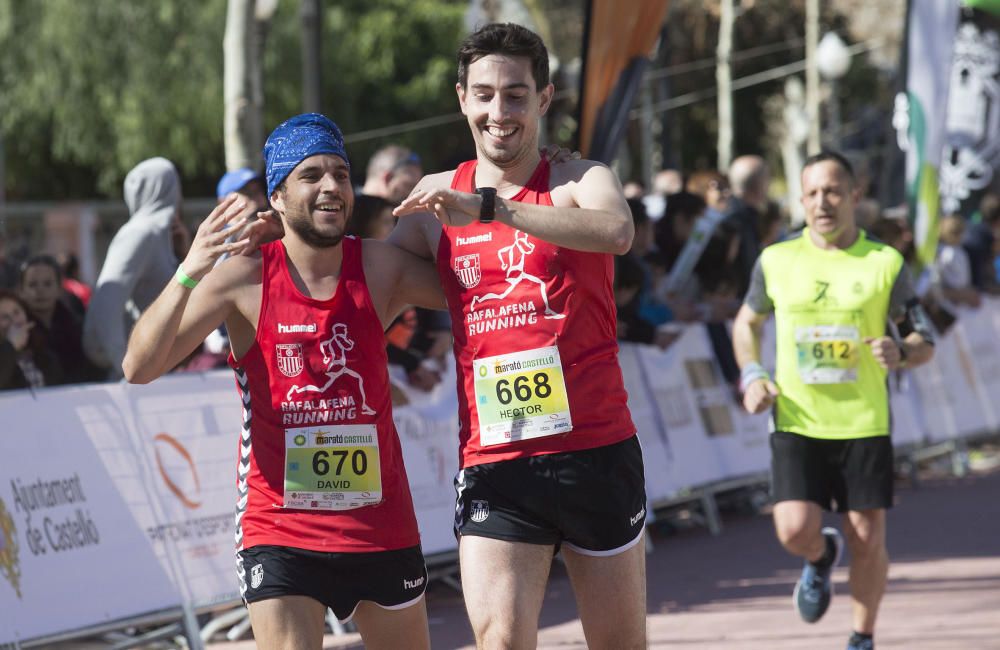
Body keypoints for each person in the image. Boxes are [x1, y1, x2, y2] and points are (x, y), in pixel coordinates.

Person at [122, 113, 445, 650]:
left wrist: (447, 196)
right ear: (277, 195)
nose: (331, 187)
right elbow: (140, 367)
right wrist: (189, 270)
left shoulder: (380, 267)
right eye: (312, 175)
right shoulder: (244, 279)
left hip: (379, 523)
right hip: (281, 527)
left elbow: (477, 285)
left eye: (341, 174)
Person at [390, 23, 647, 649]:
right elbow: (371, 282)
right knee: (500, 639)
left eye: (514, 94)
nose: (497, 112)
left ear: (543, 98)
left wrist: (490, 208)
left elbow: (616, 232)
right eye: (483, 94)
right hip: (496, 461)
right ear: (461, 99)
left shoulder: (579, 178)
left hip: (595, 449)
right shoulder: (434, 207)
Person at [732, 151, 935, 650]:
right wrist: (752, 372)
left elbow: (923, 339)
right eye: (813, 193)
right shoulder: (776, 260)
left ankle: (861, 637)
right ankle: (820, 555)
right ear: (801, 200)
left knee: (869, 539)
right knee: (792, 530)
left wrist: (901, 351)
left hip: (863, 421)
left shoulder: (884, 262)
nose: (823, 202)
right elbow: (746, 323)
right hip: (798, 419)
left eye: (834, 192)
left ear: (855, 198)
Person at [83, 157, 186, 379]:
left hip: (160, 366)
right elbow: (106, 302)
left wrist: (183, 254)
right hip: (137, 377)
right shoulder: (140, 233)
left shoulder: (161, 235)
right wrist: (124, 365)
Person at [19, 255, 102, 383]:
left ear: (59, 288)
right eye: (32, 284)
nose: (40, 290)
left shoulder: (78, 327)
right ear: (22, 291)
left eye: (47, 284)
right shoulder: (14, 332)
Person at [0, 290, 64, 390]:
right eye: (4, 317)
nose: (13, 320)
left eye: (16, 312)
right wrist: (11, 346)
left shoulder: (43, 351)